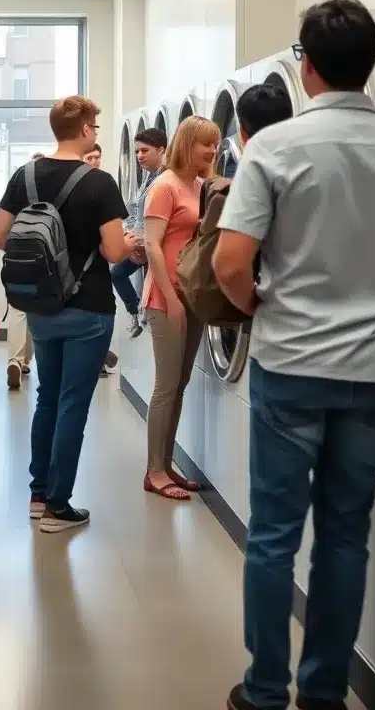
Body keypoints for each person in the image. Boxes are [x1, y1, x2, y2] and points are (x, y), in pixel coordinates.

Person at [213, 0, 375, 710]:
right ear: (370, 64)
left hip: (289, 366)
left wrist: (264, 307)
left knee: (274, 536)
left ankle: (264, 690)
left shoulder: (274, 148)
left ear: (305, 65)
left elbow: (230, 262)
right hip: (371, 372)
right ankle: (323, 693)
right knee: (345, 537)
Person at [0, 96, 137, 533]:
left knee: (47, 399)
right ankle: (59, 506)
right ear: (86, 130)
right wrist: (131, 244)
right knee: (73, 404)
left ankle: (39, 494)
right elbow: (114, 251)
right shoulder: (99, 182)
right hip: (89, 307)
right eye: (96, 127)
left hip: (42, 305)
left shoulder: (25, 175)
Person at [141, 115, 221, 501]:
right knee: (166, 386)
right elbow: (152, 245)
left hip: (192, 296)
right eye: (206, 143)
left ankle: (166, 463)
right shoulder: (165, 186)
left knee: (180, 384)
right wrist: (170, 298)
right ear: (188, 144)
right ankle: (154, 471)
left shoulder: (201, 186)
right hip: (166, 298)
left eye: (216, 143)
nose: (213, 150)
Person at [111, 127, 168, 337]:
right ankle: (137, 310)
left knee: (118, 273)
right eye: (136, 151)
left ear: (161, 150)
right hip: (143, 243)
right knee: (117, 273)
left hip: (157, 246)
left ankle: (141, 312)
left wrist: (141, 243)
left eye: (144, 151)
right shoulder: (148, 177)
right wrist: (130, 237)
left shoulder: (166, 180)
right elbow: (137, 211)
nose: (139, 156)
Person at [6, 152, 45, 391]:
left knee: (18, 309)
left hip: (17, 257)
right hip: (44, 260)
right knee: (36, 308)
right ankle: (27, 360)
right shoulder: (53, 196)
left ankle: (17, 360)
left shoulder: (16, 192)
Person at [83, 142, 119, 377]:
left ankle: (100, 357)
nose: (95, 161)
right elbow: (114, 249)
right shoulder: (101, 186)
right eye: (90, 157)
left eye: (97, 157)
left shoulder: (105, 184)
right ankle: (99, 356)